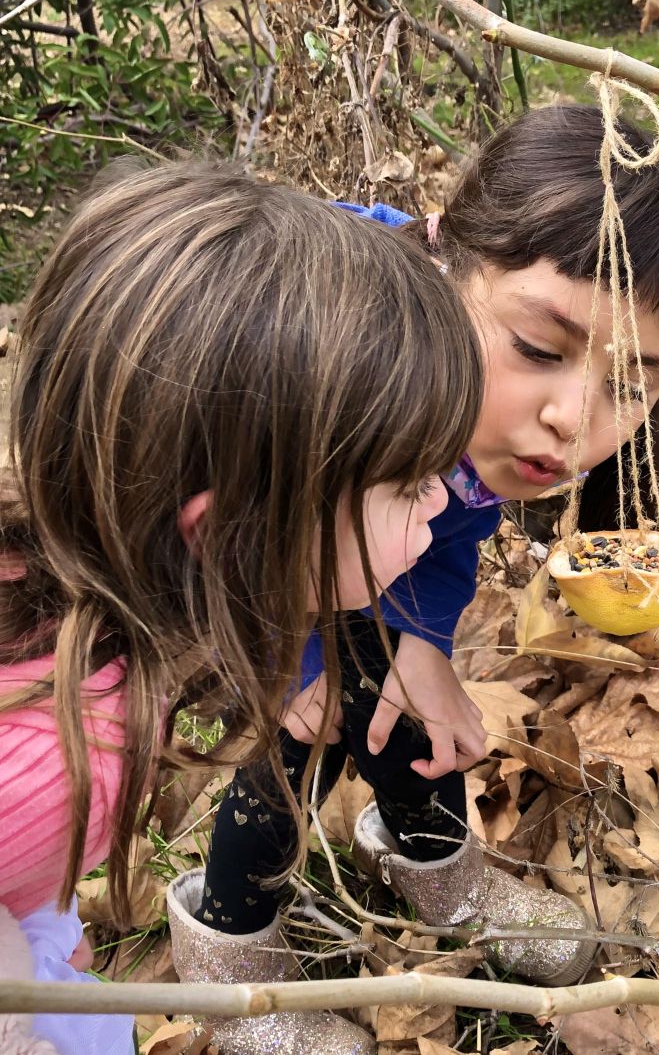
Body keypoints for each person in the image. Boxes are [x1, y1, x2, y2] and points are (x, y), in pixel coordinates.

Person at [194, 102, 659, 1051]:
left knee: (410, 706)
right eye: (539, 349)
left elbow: (444, 527)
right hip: (253, 567)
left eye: (632, 381)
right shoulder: (334, 351)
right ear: (448, 258)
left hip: (362, 559)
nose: (575, 419)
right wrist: (292, 658)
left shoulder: (490, 423)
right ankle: (229, 948)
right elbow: (228, 525)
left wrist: (426, 640)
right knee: (293, 742)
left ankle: (440, 870)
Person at [0, 159, 483, 1055]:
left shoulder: (121, 605)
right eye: (413, 483)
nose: (444, 508)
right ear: (237, 537)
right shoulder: (59, 762)